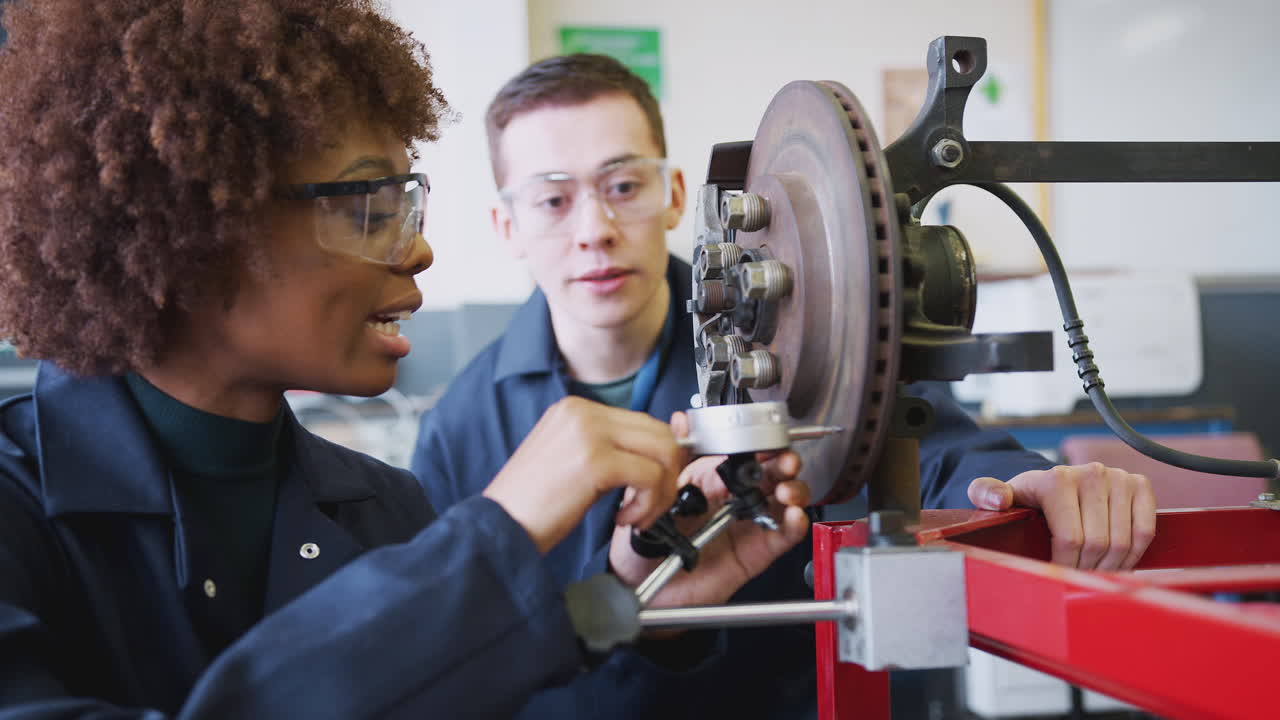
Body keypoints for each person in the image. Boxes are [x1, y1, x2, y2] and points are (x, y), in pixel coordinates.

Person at [0, 4, 812, 717]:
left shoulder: (383, 509)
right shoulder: (16, 513)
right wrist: (493, 538)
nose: (418, 249)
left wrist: (638, 595)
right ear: (196, 223)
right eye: (370, 209)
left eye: (407, 204)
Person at [410, 53, 1159, 718]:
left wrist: (1026, 484)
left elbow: (928, 448)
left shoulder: (790, 334)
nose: (595, 228)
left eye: (623, 184)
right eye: (551, 199)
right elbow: (445, 655)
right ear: (506, 227)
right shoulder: (456, 429)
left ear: (675, 193)